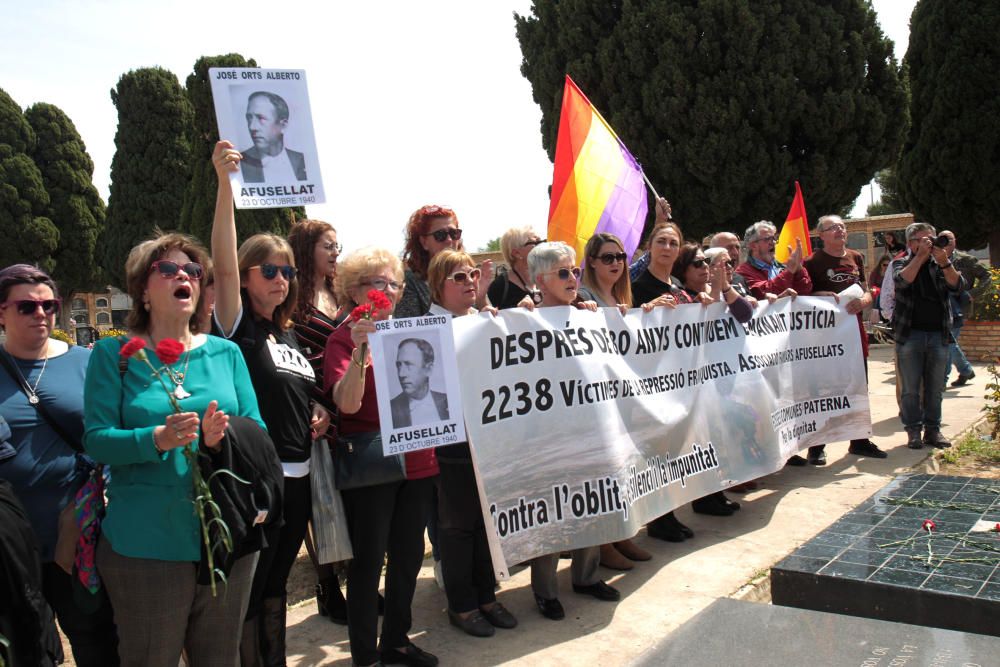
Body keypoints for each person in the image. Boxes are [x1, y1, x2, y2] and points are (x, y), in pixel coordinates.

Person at [84, 233, 263, 665]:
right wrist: (156, 439)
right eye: (168, 269)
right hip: (146, 547)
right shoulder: (114, 355)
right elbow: (96, 440)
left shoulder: (227, 353)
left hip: (225, 540)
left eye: (193, 271)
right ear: (142, 290)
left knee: (220, 659)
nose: (183, 275)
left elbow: (258, 431)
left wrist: (221, 439)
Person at [212, 140, 330, 664]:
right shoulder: (239, 329)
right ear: (245, 277)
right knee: (252, 590)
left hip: (301, 477)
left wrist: (319, 412)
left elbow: (301, 394)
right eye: (268, 271)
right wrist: (223, 185)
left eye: (287, 272)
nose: (280, 279)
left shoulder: (291, 338)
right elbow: (221, 258)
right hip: (260, 479)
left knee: (278, 584)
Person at [326, 247, 439, 667]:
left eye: (392, 282)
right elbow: (348, 404)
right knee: (369, 561)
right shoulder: (343, 337)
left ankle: (396, 641)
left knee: (409, 558)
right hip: (374, 466)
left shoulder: (413, 333)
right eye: (376, 282)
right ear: (355, 292)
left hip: (419, 461)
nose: (386, 290)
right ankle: (365, 656)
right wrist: (360, 351)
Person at [0, 264, 118, 666]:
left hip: (79, 532)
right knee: (29, 647)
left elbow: (113, 430)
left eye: (49, 305)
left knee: (97, 639)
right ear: (1, 312)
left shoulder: (86, 361)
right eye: (27, 307)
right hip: (11, 543)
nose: (41, 315)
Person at [520, 241, 621, 620]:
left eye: (575, 271)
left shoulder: (586, 315)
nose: (573, 278)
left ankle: (586, 576)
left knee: (592, 502)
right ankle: (545, 591)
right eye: (563, 273)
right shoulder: (523, 321)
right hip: (546, 438)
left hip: (588, 431)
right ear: (539, 280)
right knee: (550, 513)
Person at [424, 249, 519, 638]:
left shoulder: (482, 321)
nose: (469, 283)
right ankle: (462, 605)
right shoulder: (425, 327)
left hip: (486, 439)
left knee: (485, 523)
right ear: (437, 285)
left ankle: (487, 597)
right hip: (450, 445)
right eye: (458, 278)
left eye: (471, 276)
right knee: (457, 527)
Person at [577, 233, 655, 571]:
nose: (616, 263)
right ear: (591, 261)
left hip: (624, 400)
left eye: (620, 257)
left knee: (624, 470)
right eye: (607, 257)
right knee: (604, 473)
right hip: (599, 404)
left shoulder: (620, 296)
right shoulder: (583, 298)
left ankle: (622, 535)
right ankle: (603, 543)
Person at [288, 219, 348, 624]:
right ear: (306, 249)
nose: (335, 252)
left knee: (347, 498)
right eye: (328, 245)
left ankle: (355, 581)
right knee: (319, 501)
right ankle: (327, 587)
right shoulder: (291, 297)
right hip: (313, 410)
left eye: (337, 245)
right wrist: (311, 403)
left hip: (347, 404)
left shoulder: (339, 291)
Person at [671, 243, 753, 515]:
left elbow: (745, 314)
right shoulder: (681, 296)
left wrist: (724, 287)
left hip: (717, 378)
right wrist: (716, 290)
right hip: (692, 382)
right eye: (698, 264)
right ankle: (703, 498)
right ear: (683, 270)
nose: (705, 268)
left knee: (717, 436)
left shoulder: (714, 292)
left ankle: (716, 492)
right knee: (701, 439)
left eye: (707, 263)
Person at [801, 215, 887, 463]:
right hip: (825, 340)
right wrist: (821, 295)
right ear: (821, 235)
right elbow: (803, 296)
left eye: (842, 226)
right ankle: (817, 446)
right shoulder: (812, 262)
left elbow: (866, 289)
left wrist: (866, 301)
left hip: (854, 334)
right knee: (825, 391)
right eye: (833, 228)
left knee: (858, 387)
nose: (839, 230)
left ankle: (859, 441)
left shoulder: (855, 257)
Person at [629, 222, 692, 542]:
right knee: (655, 450)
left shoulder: (678, 283)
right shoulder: (638, 285)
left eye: (673, 243)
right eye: (661, 242)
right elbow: (628, 325)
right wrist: (648, 309)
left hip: (678, 379)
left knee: (674, 449)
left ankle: (670, 512)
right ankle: (658, 518)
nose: (667, 248)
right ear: (650, 247)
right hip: (650, 381)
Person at [891, 222, 965, 450]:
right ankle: (913, 431)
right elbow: (903, 281)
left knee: (935, 388)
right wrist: (920, 256)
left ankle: (933, 430)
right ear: (912, 243)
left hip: (938, 335)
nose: (929, 243)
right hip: (910, 335)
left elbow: (957, 286)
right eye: (923, 240)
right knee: (911, 389)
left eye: (931, 239)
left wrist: (944, 261)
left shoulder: (940, 263)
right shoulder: (901, 261)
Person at [938, 230, 988, 387]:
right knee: (949, 342)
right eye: (943, 239)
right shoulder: (934, 259)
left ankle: (942, 381)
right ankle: (966, 371)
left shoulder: (966, 260)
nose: (947, 242)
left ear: (955, 241)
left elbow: (987, 276)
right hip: (941, 307)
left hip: (959, 307)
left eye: (950, 239)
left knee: (947, 342)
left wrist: (973, 294)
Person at [240, 91, 307, 183]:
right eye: (249, 118)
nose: (252, 127)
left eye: (261, 118)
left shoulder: (303, 160)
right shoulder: (239, 162)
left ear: (283, 125)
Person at [735, 220, 812, 300]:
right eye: (767, 239)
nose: (773, 243)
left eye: (774, 238)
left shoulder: (781, 267)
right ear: (753, 246)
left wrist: (799, 268)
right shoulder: (742, 272)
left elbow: (805, 291)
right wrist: (789, 271)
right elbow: (763, 292)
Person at [390, 339, 449, 428]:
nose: (401, 374)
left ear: (429, 369)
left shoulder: (449, 401)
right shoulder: (390, 410)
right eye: (399, 365)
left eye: (408, 364)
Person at [488, 225, 544, 309]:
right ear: (516, 253)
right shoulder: (500, 286)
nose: (541, 246)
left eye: (542, 241)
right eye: (535, 243)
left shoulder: (550, 278)